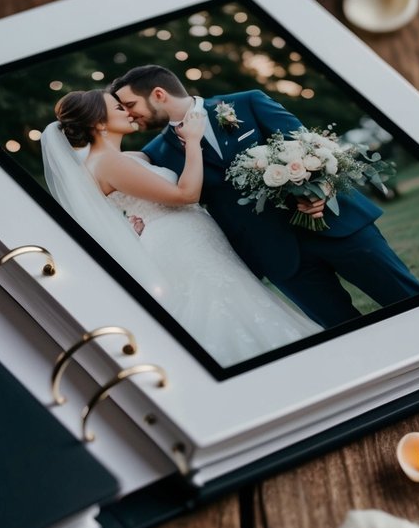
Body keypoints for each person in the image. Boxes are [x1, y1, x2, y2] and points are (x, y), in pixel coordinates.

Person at [110, 66, 419, 329]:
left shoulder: (248, 102)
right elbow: (154, 192)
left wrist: (324, 189)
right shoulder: (157, 153)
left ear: (158, 95)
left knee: (411, 301)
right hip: (277, 256)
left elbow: (315, 147)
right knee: (343, 331)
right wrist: (142, 220)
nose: (129, 114)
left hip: (338, 226)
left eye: (130, 105)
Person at [41, 90, 321, 368]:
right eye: (118, 107)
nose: (128, 111)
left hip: (190, 235)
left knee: (233, 295)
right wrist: (194, 141)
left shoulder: (125, 157)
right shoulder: (110, 162)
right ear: (99, 123)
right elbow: (186, 195)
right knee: (217, 302)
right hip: (180, 243)